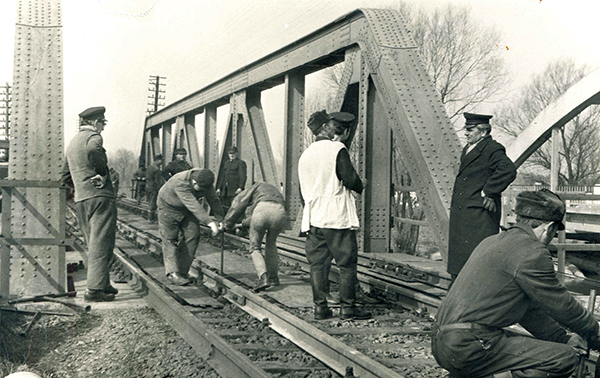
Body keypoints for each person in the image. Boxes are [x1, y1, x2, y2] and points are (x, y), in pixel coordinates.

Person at [432, 189, 600, 378]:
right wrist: (595, 331)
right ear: (549, 228)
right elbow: (561, 305)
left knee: (555, 348)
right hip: (469, 345)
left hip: (443, 342)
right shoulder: (532, 252)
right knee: (564, 358)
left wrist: (562, 337)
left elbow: (528, 311)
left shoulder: (492, 241)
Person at [298, 110, 371, 321]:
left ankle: (320, 309)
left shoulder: (306, 154)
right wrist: (360, 184)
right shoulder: (337, 149)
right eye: (331, 125)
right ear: (323, 128)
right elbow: (350, 180)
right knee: (346, 264)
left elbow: (301, 192)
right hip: (336, 217)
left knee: (317, 265)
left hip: (314, 218)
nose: (335, 128)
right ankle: (348, 308)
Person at [448, 112, 516, 279]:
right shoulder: (469, 148)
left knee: (477, 258)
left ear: (483, 132)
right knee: (464, 259)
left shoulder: (492, 148)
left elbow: (508, 170)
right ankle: (459, 287)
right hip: (466, 211)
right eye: (466, 129)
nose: (466, 133)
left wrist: (489, 191)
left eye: (470, 129)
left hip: (478, 213)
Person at [61, 106, 118, 302]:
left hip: (82, 199)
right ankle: (95, 290)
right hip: (100, 196)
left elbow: (64, 174)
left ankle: (102, 282)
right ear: (95, 122)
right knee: (102, 242)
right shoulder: (93, 138)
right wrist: (102, 174)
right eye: (102, 123)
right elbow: (94, 150)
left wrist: (73, 193)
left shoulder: (72, 142)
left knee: (93, 241)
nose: (103, 127)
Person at [157, 168, 224, 286]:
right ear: (193, 182)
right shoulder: (180, 182)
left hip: (186, 210)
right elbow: (193, 205)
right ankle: (172, 273)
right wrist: (210, 222)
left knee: (193, 235)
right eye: (201, 189)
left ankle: (182, 272)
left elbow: (213, 200)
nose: (203, 191)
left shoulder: (205, 182)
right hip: (168, 208)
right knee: (170, 239)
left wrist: (220, 219)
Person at [222, 182, 289, 291]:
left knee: (255, 247)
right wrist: (239, 224)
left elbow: (239, 204)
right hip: (280, 214)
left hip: (261, 213)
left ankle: (263, 277)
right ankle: (273, 278)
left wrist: (227, 224)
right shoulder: (276, 193)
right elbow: (265, 214)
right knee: (271, 244)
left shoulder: (255, 188)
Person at [145, 154, 164, 223]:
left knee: (150, 202)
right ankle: (151, 219)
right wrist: (160, 188)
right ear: (157, 160)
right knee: (153, 203)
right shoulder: (156, 169)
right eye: (161, 160)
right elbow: (157, 181)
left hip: (148, 187)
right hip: (154, 188)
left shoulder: (150, 167)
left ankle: (150, 218)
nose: (162, 162)